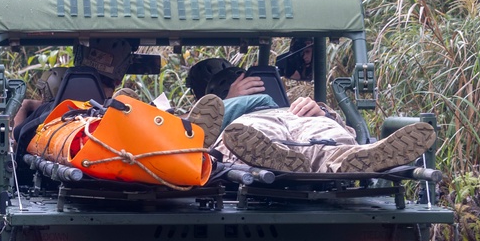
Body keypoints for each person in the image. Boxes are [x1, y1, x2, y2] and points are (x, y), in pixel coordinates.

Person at [186, 93, 435, 173]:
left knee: (329, 139)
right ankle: (282, 160)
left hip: (298, 116)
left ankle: (357, 156)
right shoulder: (207, 109)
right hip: (253, 124)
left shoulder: (276, 99)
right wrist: (230, 94)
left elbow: (331, 121)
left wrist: (323, 111)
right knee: (249, 137)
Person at [12, 38, 135, 157]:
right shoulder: (123, 117)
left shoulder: (49, 110)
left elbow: (16, 141)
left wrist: (26, 105)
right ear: (118, 82)